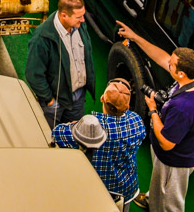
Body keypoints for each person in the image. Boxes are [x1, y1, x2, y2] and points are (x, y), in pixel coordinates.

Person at [116, 22, 194, 212]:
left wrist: (152, 111)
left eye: (172, 65)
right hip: (169, 154)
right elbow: (162, 57)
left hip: (174, 162)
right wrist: (135, 37)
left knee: (170, 204)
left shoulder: (183, 107)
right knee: (160, 187)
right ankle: (152, 200)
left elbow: (167, 143)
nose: (168, 63)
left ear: (181, 73)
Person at [53, 80, 147, 211]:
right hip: (126, 189)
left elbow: (58, 134)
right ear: (126, 107)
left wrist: (74, 126)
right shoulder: (136, 121)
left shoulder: (91, 127)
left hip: (98, 189)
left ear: (102, 98)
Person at [25, 0, 97, 128]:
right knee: (49, 137)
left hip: (78, 98)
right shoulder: (42, 38)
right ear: (64, 15)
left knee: (74, 135)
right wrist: (50, 100)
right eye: (79, 17)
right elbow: (33, 74)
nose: (83, 20)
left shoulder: (79, 26)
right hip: (55, 102)